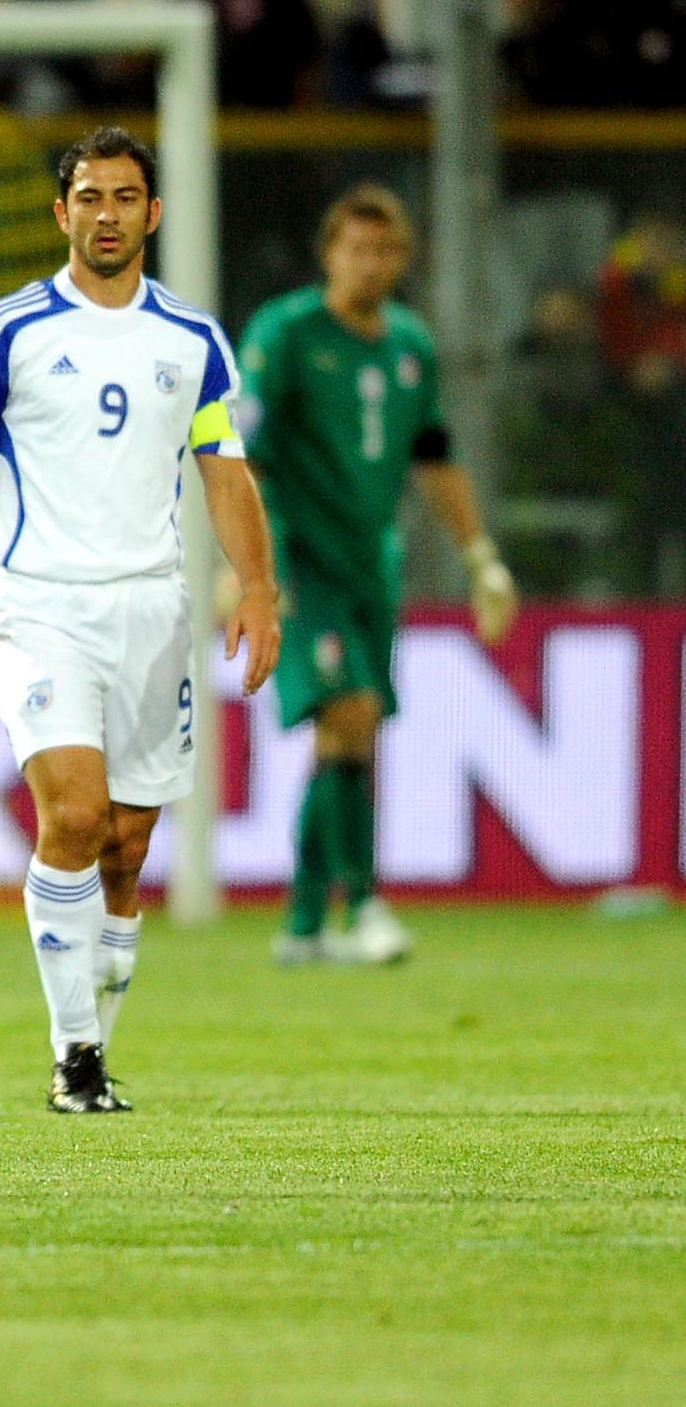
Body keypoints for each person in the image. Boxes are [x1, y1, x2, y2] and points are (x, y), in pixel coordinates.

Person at [0, 127, 281, 1116]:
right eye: (88, 195)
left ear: (152, 213)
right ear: (58, 212)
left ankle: (96, 1037)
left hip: (153, 609)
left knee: (124, 845)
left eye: (123, 196)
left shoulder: (190, 339)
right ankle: (74, 1055)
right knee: (71, 814)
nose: (105, 212)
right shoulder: (8, 330)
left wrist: (258, 585)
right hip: (40, 603)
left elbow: (224, 471)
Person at [237, 186, 518, 966]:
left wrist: (479, 556)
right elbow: (242, 460)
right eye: (354, 248)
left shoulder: (408, 345)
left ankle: (300, 924)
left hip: (371, 565)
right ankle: (361, 903)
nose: (368, 264)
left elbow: (433, 458)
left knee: (350, 735)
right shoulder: (285, 333)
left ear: (401, 259)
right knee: (349, 713)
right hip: (301, 559)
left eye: (383, 250)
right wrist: (248, 568)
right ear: (328, 253)